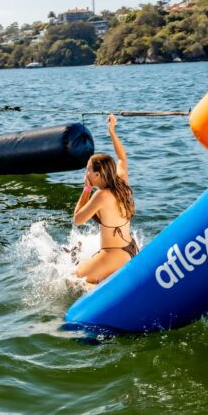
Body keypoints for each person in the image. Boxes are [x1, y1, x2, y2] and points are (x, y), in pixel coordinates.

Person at [72, 114, 139, 288]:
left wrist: (86, 189)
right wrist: (112, 130)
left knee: (73, 280)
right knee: (84, 267)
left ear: (98, 174)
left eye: (88, 170)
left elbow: (78, 219)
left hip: (114, 255)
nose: (86, 174)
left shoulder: (101, 196)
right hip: (131, 249)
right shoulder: (122, 182)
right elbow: (122, 158)